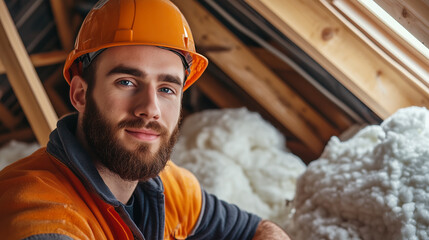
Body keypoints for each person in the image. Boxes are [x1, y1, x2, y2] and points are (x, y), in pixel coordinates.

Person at [0, 0, 290, 239]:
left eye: (166, 89)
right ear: (80, 94)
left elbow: (258, 230)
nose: (150, 108)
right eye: (126, 82)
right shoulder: (39, 210)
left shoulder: (167, 184)